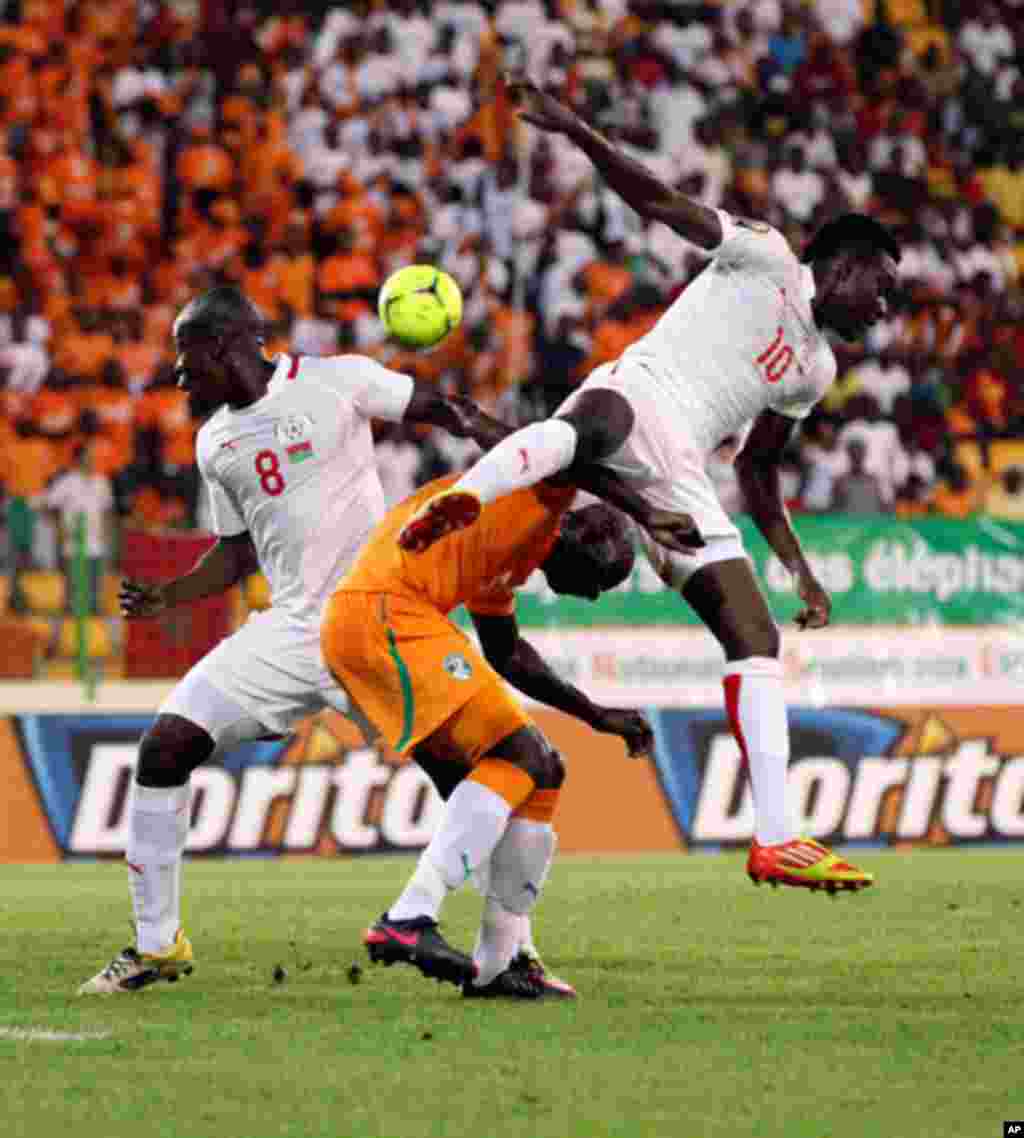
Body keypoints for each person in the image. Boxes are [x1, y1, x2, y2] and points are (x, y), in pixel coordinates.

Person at [401, 78, 903, 895]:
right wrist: (577, 130)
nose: (883, 308)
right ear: (841, 264)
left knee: (755, 635)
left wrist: (797, 567)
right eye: (879, 287)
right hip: (641, 392)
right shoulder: (766, 253)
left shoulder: (816, 370)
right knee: (594, 424)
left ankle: (776, 838)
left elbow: (757, 469)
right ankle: (473, 492)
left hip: (684, 471)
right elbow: (662, 202)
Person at [78, 285, 481, 995]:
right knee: (165, 747)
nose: (177, 374)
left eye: (185, 356)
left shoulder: (338, 381)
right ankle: (155, 945)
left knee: (471, 776)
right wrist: (170, 595)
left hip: (376, 618)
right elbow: (237, 553)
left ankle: (513, 947)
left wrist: (525, 449)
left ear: (227, 345)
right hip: (294, 628)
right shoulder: (215, 441)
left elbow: (441, 409)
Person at [321, 472, 654, 1000]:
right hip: (385, 612)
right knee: (524, 755)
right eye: (600, 576)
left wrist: (593, 714)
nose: (592, 594)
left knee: (539, 774)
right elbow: (561, 445)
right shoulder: (534, 498)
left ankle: (500, 961)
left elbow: (506, 653)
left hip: (384, 620)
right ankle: (410, 915)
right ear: (576, 533)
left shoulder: (510, 555)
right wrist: (653, 504)